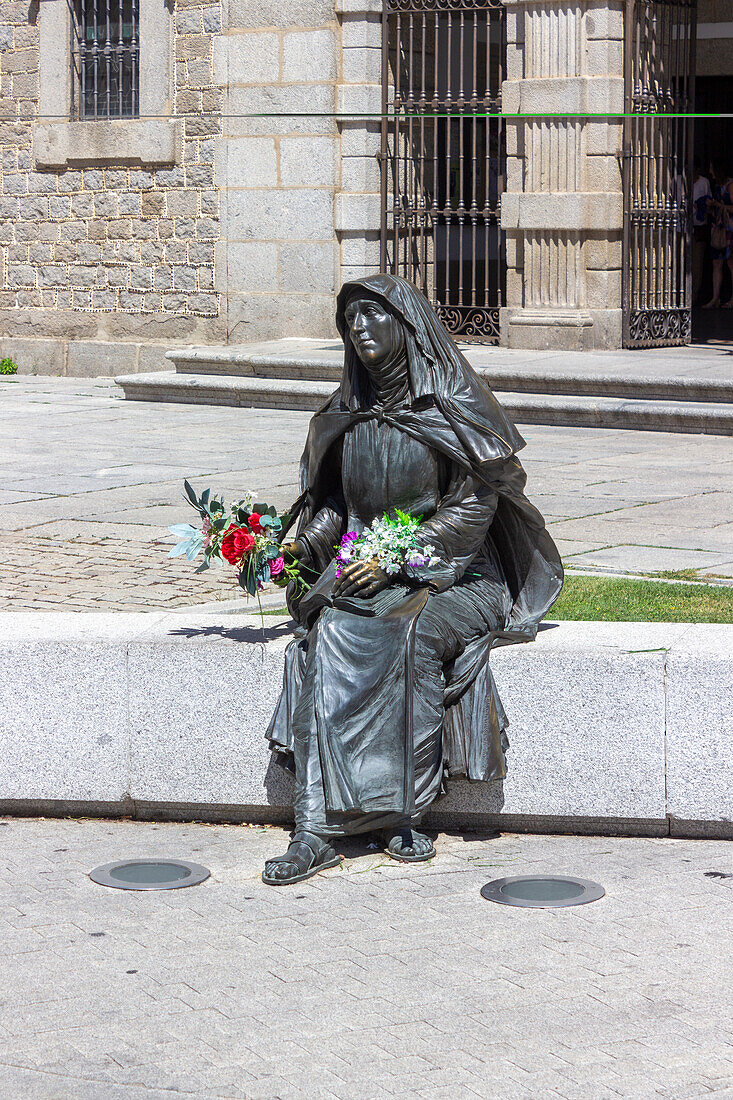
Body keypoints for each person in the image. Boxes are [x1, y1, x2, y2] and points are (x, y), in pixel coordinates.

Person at [262, 275, 563, 886]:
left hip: (457, 577)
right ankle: (314, 829)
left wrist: (402, 554)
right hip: (366, 569)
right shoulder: (348, 415)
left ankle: (404, 812)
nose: (361, 330)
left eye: (374, 316)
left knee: (413, 632)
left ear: (408, 325)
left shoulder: (452, 406)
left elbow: (475, 508)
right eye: (351, 322)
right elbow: (337, 510)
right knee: (328, 639)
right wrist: (302, 546)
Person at [703, 161, 733, 309]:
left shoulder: (730, 186)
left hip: (729, 229)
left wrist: (718, 205)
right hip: (718, 227)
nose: (711, 172)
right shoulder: (716, 186)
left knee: (731, 263)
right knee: (717, 263)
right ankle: (715, 298)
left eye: (712, 169)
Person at [691, 159, 711, 305]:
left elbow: (709, 201)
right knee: (680, 262)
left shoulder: (704, 182)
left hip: (699, 227)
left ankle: (694, 295)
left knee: (697, 263)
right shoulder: (678, 181)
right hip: (681, 226)